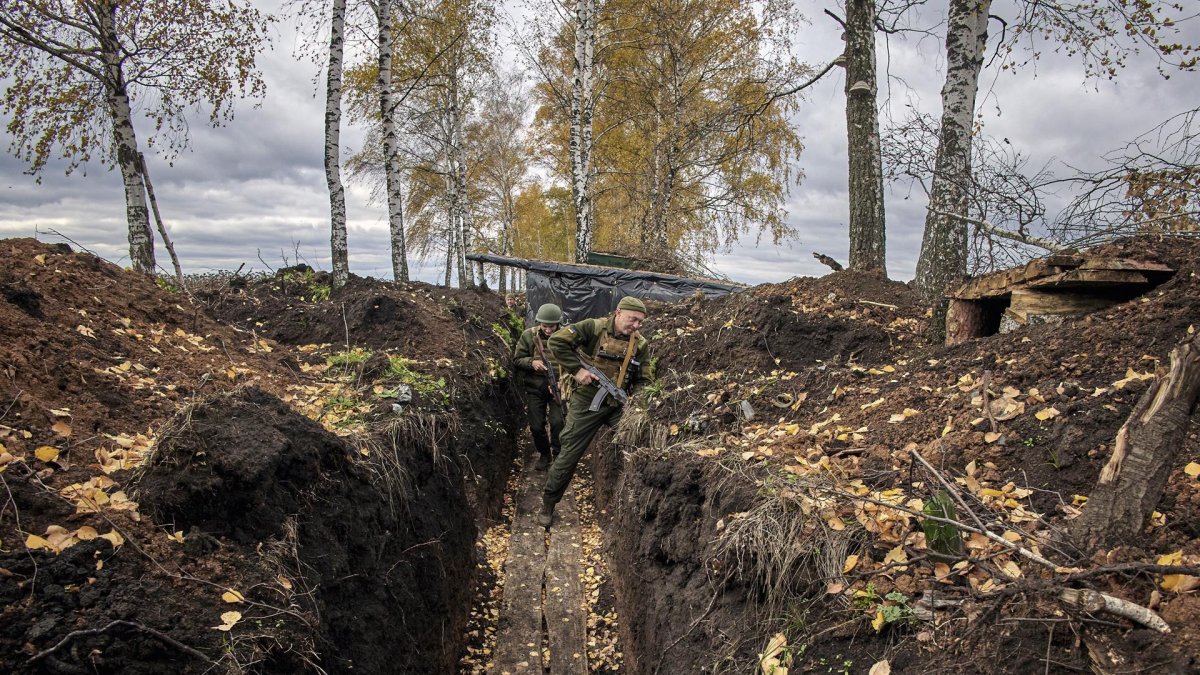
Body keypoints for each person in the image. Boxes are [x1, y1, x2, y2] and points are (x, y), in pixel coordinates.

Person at [539, 296, 650, 528]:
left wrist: (637, 404)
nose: (636, 326)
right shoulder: (592, 327)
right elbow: (557, 342)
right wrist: (578, 370)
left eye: (640, 322)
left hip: (618, 405)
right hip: (587, 400)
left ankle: (628, 500)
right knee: (569, 454)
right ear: (618, 313)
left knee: (639, 441)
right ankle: (548, 502)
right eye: (633, 319)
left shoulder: (640, 344)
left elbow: (644, 379)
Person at [512, 303, 566, 471]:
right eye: (545, 326)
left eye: (552, 326)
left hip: (559, 386)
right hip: (535, 388)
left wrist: (563, 381)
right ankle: (544, 454)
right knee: (536, 426)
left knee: (558, 422)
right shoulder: (529, 336)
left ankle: (557, 453)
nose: (548, 330)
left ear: (558, 323)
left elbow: (575, 363)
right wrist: (531, 362)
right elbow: (517, 360)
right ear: (539, 323)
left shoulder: (566, 336)